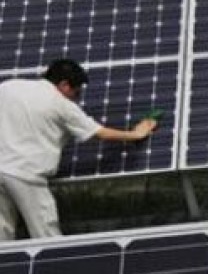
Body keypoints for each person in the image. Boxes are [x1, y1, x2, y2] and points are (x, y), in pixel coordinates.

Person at [0, 59, 158, 240]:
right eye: (76, 91)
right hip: (25, 174)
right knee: (45, 233)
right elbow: (100, 133)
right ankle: (55, 266)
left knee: (2, 232)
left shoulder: (8, 88)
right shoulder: (61, 105)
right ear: (64, 85)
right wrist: (136, 134)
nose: (77, 97)